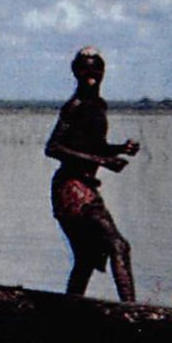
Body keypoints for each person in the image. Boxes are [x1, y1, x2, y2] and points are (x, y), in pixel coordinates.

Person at [44, 47, 140, 302]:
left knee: (86, 258)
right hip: (72, 190)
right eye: (85, 68)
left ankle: (71, 311)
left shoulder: (98, 105)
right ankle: (131, 312)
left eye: (96, 68)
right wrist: (103, 161)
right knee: (118, 245)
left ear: (103, 72)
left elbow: (91, 146)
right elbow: (53, 147)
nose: (91, 74)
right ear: (75, 72)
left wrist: (119, 149)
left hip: (81, 187)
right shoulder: (74, 106)